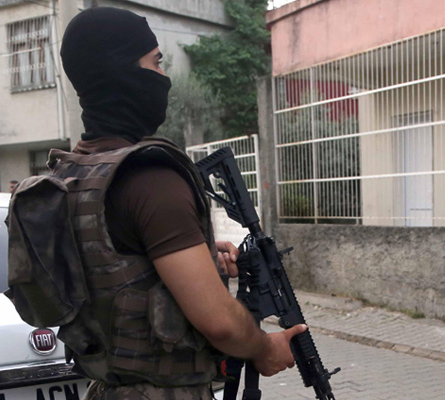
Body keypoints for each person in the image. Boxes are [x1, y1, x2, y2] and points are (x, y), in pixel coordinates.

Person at [54, 7, 306, 400]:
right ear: (122, 72)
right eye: (156, 62)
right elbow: (220, 323)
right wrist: (263, 347)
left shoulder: (70, 174)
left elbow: (115, 270)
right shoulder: (151, 177)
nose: (164, 76)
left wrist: (199, 258)